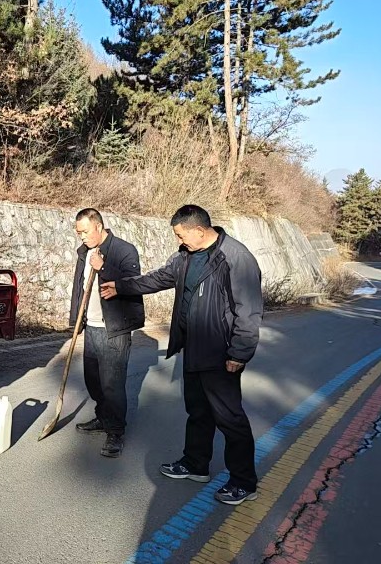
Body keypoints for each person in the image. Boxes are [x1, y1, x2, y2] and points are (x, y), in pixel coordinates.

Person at [100, 204, 262, 505]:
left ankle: (244, 481)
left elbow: (248, 310)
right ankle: (196, 464)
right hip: (193, 347)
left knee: (230, 418)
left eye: (180, 235)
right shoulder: (185, 256)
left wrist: (239, 352)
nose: (179, 240)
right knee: (197, 411)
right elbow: (158, 278)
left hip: (221, 351)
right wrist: (121, 286)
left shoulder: (236, 258)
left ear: (199, 231)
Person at [70, 208, 145, 458]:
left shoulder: (124, 250)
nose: (82, 237)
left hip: (114, 328)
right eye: (79, 233)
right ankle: (103, 417)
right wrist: (76, 319)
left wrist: (103, 268)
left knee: (112, 384)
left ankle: (115, 432)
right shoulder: (84, 252)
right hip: (91, 326)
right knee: (93, 380)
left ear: (99, 226)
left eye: (85, 231)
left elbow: (133, 284)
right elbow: (79, 288)